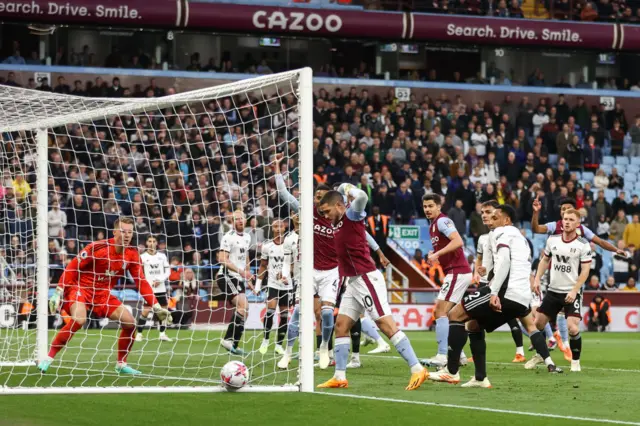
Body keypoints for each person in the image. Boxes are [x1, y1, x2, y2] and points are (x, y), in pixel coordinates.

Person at [273, 154, 388, 369]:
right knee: (299, 312)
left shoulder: (342, 218)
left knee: (327, 312)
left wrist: (378, 250)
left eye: (322, 197)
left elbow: (364, 234)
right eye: (316, 197)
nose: (318, 200)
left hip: (332, 271)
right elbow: (283, 194)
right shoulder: (307, 212)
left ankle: (324, 348)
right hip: (309, 270)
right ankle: (287, 353)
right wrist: (278, 169)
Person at [428, 205, 562, 388]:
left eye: (496, 216)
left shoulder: (503, 232)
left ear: (506, 220)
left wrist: (493, 292)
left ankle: (451, 372)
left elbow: (505, 261)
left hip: (506, 292)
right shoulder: (520, 238)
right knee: (473, 325)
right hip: (521, 298)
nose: (491, 219)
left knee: (454, 315)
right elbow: (510, 265)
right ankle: (480, 378)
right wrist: (488, 272)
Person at [316, 185, 428, 390]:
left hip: (366, 278)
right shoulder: (338, 222)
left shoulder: (352, 213)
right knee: (341, 325)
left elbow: (363, 196)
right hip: (352, 281)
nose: (325, 216)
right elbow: (365, 236)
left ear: (339, 205)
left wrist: (346, 187)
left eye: (327, 211)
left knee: (385, 325)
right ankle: (340, 376)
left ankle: (417, 368)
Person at [39, 217, 170, 375]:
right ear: (115, 232)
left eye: (130, 231)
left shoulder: (132, 254)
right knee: (80, 319)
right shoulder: (97, 247)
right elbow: (73, 267)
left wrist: (155, 306)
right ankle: (49, 356)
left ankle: (121, 364)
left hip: (103, 294)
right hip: (81, 288)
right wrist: (58, 292)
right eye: (123, 231)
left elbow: (141, 282)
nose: (127, 235)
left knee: (130, 323)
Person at [531, 209, 591, 372]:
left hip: (571, 291)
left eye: (571, 220)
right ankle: (540, 354)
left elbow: (585, 271)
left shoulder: (583, 245)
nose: (567, 222)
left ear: (578, 223)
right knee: (537, 324)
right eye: (565, 219)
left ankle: (575, 362)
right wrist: (537, 279)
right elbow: (544, 261)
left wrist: (574, 290)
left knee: (573, 328)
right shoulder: (552, 240)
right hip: (553, 291)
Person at [421, 193, 471, 367]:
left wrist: (437, 254)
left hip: (457, 271)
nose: (427, 209)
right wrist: (433, 255)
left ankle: (443, 355)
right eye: (425, 206)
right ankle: (460, 355)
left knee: (440, 311)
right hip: (457, 272)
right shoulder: (433, 225)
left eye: (430, 206)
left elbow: (458, 241)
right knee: (451, 316)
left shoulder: (442, 221)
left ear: (438, 207)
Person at [474, 201, 526, 363]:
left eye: (489, 212)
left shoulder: (506, 235)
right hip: (487, 281)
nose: (485, 215)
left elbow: (506, 261)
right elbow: (481, 259)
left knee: (518, 319)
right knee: (475, 319)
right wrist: (479, 271)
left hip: (502, 283)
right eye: (483, 212)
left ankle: (523, 350)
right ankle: (476, 355)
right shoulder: (484, 238)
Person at [217, 210, 254, 355]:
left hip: (238, 277)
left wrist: (248, 277)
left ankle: (233, 345)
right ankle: (227, 339)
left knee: (245, 310)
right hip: (226, 276)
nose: (240, 221)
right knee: (243, 306)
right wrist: (241, 271)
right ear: (232, 221)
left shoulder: (247, 237)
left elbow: (245, 257)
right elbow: (222, 259)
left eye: (242, 218)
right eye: (236, 219)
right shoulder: (228, 237)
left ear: (246, 220)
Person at [256, 219, 291, 356]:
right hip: (272, 283)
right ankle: (265, 340)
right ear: (272, 228)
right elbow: (263, 266)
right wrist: (258, 285)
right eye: (275, 226)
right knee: (270, 310)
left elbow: (294, 264)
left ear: (284, 228)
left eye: (280, 226)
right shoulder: (267, 246)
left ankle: (278, 345)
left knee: (284, 315)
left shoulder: (290, 245)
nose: (277, 229)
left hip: (287, 284)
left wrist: (288, 274)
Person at [136, 235, 172, 342]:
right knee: (146, 311)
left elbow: (168, 271)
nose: (152, 243)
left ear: (157, 243)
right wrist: (148, 283)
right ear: (147, 243)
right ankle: (139, 334)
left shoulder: (162, 256)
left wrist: (160, 280)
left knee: (164, 311)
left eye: (154, 241)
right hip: (149, 289)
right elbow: (140, 273)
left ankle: (162, 334)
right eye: (150, 241)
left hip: (161, 288)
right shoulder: (142, 257)